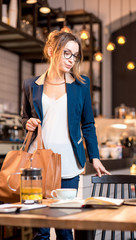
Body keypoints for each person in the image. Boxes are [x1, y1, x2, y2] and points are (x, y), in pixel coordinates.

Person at [21, 30, 110, 240]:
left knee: (64, 227)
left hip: (69, 163)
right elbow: (24, 117)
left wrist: (94, 157)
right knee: (40, 229)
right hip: (38, 164)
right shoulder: (30, 85)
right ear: (52, 51)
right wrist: (29, 123)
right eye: (66, 53)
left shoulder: (81, 85)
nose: (72, 60)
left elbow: (88, 124)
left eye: (75, 55)